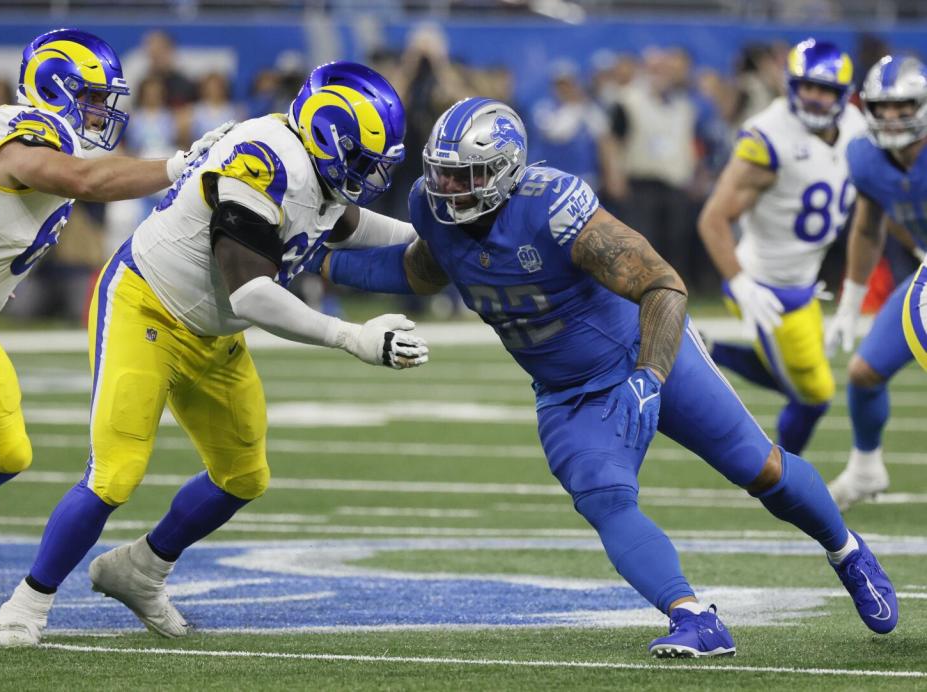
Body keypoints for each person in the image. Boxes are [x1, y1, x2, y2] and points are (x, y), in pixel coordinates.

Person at [309, 97, 898, 657]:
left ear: (506, 170)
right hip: (567, 392)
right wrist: (318, 261)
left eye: (467, 175)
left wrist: (650, 374)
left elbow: (664, 284)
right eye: (442, 174)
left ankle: (846, 552)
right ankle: (694, 618)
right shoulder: (428, 207)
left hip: (643, 349)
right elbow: (421, 270)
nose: (449, 188)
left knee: (759, 467)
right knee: (604, 499)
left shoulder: (551, 206)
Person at [0, 61, 428, 647]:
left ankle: (141, 570)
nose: (370, 177)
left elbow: (341, 221)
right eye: (365, 163)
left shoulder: (316, 170)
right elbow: (251, 291)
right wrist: (350, 337)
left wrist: (420, 237)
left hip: (212, 330)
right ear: (327, 137)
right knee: (114, 476)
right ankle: (27, 603)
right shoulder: (263, 160)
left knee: (244, 476)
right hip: (148, 307)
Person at [0, 28, 230, 514]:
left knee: (4, 452)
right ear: (51, 88)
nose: (99, 109)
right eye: (90, 96)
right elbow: (82, 179)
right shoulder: (24, 131)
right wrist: (179, 166)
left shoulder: (38, 135)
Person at [697, 39, 866, 454]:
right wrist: (740, 284)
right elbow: (713, 218)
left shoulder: (858, 127)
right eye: (807, 86)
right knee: (815, 395)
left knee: (802, 379)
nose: (815, 96)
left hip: (803, 282)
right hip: (766, 287)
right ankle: (784, 480)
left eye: (825, 90)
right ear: (790, 84)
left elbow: (874, 202)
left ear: (844, 95)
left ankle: (709, 349)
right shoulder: (769, 137)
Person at [826, 55, 927, 508]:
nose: (889, 116)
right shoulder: (865, 155)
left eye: (901, 106)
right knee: (864, 373)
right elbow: (869, 227)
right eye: (881, 106)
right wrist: (851, 300)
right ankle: (866, 470)